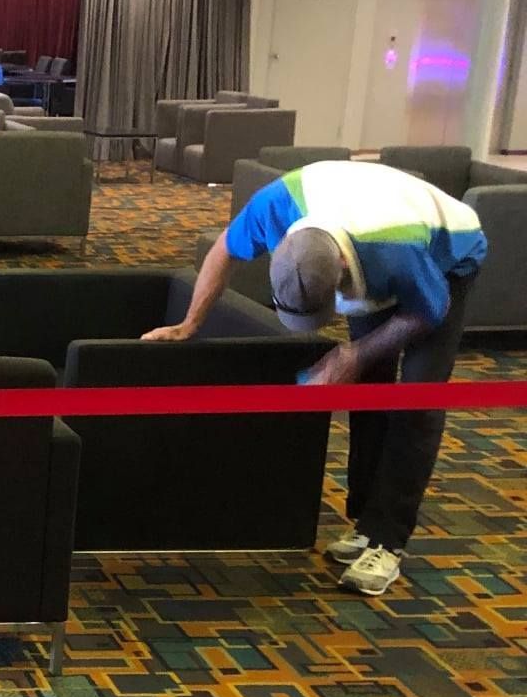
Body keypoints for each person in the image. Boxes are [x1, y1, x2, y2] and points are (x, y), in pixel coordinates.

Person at [144, 160, 487, 598]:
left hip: (447, 255)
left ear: (342, 266)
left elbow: (427, 311)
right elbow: (222, 252)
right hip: (369, 240)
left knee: (416, 399)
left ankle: (388, 540)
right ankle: (367, 522)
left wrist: (354, 352)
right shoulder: (273, 209)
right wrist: (189, 323)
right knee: (369, 385)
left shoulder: (396, 251)